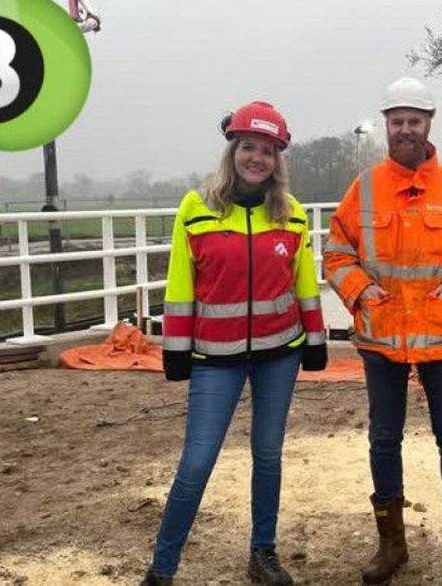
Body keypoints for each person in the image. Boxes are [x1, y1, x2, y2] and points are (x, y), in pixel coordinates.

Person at [141, 101, 328, 586]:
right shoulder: (196, 209)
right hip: (213, 361)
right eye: (249, 147)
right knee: (197, 461)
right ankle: (161, 571)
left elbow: (304, 282)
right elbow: (180, 285)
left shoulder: (292, 214)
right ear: (233, 151)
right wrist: (175, 349)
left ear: (277, 160)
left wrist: (315, 339)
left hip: (279, 356)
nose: (257, 158)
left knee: (268, 455)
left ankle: (262, 554)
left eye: (267, 151)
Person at [324, 77, 442, 585]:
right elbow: (337, 254)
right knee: (384, 440)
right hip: (381, 340)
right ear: (386, 125)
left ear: (429, 125)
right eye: (396, 121)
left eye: (413, 121)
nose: (404, 129)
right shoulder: (363, 187)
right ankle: (391, 546)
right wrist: (358, 291)